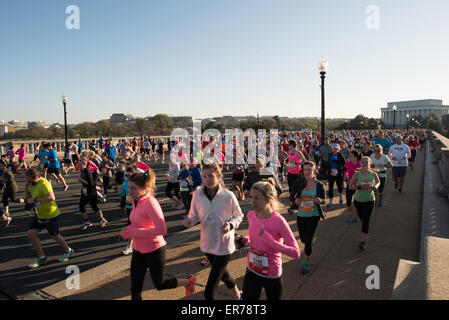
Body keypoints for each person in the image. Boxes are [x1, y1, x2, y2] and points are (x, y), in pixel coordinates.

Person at [120, 170, 195, 300]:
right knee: (135, 288)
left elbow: (162, 230)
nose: (129, 191)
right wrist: (128, 230)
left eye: (133, 188)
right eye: (129, 186)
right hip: (138, 250)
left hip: (154, 249)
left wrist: (135, 232)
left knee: (160, 284)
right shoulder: (135, 200)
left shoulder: (150, 203)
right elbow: (139, 222)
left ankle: (188, 281)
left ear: (143, 188)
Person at [183, 163, 243, 300]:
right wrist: (189, 221)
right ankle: (238, 295)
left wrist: (231, 224)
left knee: (209, 293)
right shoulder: (197, 194)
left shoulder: (228, 196)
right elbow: (194, 215)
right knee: (224, 275)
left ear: (219, 176)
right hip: (207, 245)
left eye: (211, 176)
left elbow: (239, 215)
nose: (207, 179)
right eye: (204, 176)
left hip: (224, 245)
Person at [236, 179, 300, 300]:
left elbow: (295, 253)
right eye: (251, 197)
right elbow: (254, 235)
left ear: (268, 199)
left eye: (257, 198)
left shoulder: (279, 221)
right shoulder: (251, 215)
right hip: (252, 268)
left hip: (271, 273)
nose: (252, 202)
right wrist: (245, 240)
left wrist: (270, 241)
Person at [24, 169, 75, 268]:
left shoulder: (44, 183)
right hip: (39, 215)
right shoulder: (31, 184)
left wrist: (35, 199)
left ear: (36, 178)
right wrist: (26, 189)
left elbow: (52, 197)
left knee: (54, 236)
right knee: (31, 234)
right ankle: (42, 257)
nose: (27, 181)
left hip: (51, 214)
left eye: (29, 180)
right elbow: (28, 199)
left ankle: (69, 251)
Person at [290, 161, 326, 274]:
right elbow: (291, 196)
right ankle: (309, 240)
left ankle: (306, 262)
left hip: (314, 215)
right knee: (303, 239)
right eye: (305, 169)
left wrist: (320, 200)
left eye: (309, 170)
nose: (306, 172)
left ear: (314, 170)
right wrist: (295, 200)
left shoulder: (319, 185)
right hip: (301, 215)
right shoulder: (298, 182)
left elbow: (324, 200)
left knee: (308, 241)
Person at [348, 157, 380, 251]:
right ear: (360, 164)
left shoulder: (373, 174)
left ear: (369, 163)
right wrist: (359, 187)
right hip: (358, 200)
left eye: (366, 162)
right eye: (363, 162)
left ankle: (363, 241)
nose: (365, 163)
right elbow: (350, 186)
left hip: (370, 200)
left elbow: (378, 182)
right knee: (362, 218)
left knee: (366, 220)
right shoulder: (357, 175)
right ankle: (364, 234)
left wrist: (375, 187)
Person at [77, 159, 108, 230]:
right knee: (81, 206)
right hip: (85, 191)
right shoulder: (82, 171)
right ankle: (87, 221)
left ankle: (103, 220)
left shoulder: (87, 172)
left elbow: (91, 184)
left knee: (94, 207)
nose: (78, 166)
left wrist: (81, 180)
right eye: (79, 164)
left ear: (84, 165)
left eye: (80, 164)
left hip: (91, 192)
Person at [0, 160, 24, 226]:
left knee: (13, 200)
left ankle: (25, 200)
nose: (0, 167)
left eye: (1, 165)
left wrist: (2, 179)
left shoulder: (8, 172)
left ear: (4, 166)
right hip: (7, 188)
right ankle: (6, 212)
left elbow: (11, 179)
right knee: (4, 199)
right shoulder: (4, 171)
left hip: (12, 188)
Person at [344, 151, 361, 222]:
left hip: (358, 185)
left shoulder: (360, 164)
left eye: (351, 156)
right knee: (348, 202)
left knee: (357, 201)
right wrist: (345, 175)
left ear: (355, 157)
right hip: (350, 184)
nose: (349, 157)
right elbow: (345, 171)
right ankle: (350, 213)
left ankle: (357, 215)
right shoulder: (347, 163)